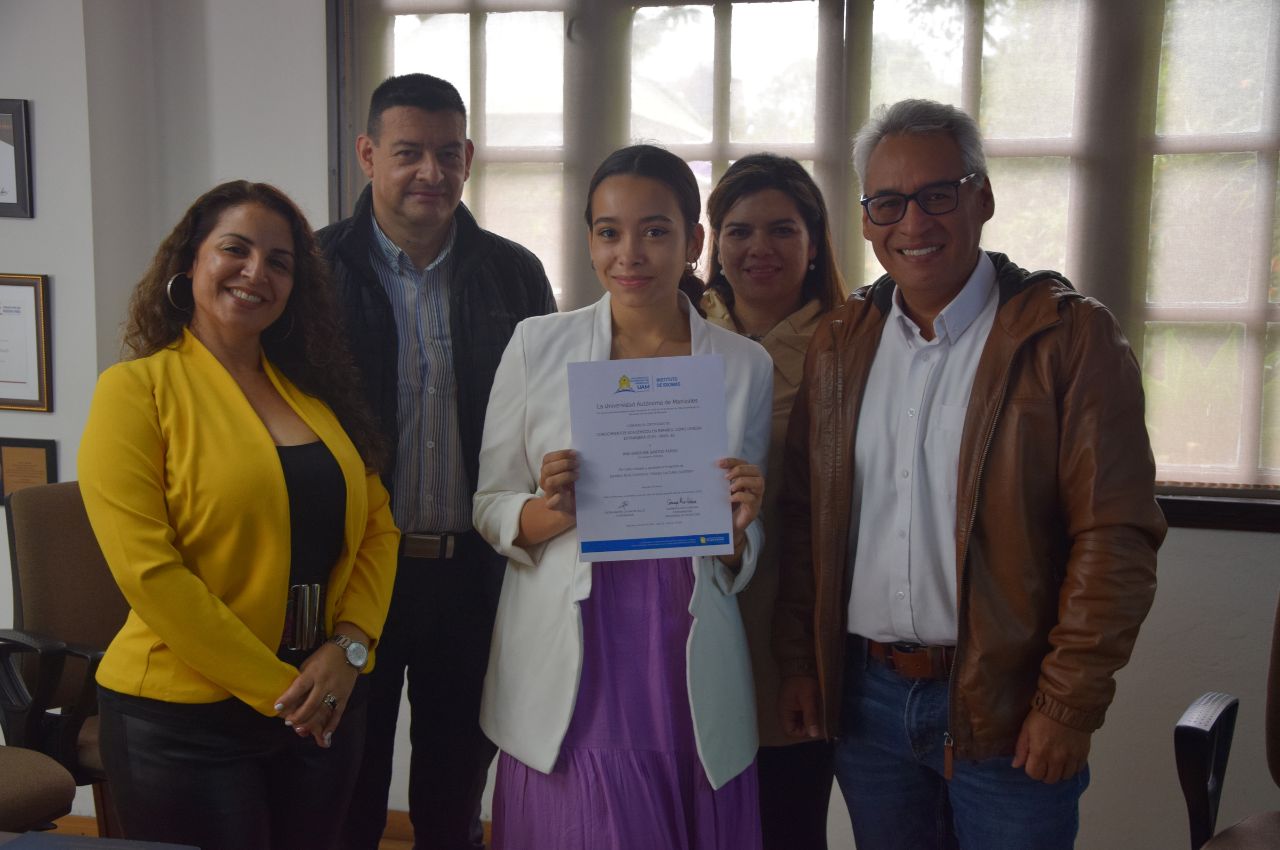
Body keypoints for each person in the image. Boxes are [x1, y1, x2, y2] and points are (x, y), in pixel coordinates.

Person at [774, 99, 1168, 850]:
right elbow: (803, 519)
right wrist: (800, 662)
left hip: (1012, 708)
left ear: (982, 197)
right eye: (888, 202)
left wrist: (1067, 705)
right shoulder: (840, 342)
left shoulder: (1069, 335)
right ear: (864, 220)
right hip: (867, 702)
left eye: (938, 195)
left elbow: (1115, 535)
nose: (913, 223)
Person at [79, 180, 400, 850]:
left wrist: (348, 648)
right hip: (185, 722)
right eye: (236, 249)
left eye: (280, 261)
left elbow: (377, 528)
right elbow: (150, 574)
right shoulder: (135, 392)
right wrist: (284, 691)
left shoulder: (312, 393)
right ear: (190, 262)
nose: (257, 272)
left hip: (324, 701)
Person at [473, 144, 773, 850]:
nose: (629, 253)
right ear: (589, 242)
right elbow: (488, 502)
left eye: (656, 230)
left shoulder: (741, 367)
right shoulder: (536, 346)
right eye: (609, 231)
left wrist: (740, 526)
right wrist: (551, 511)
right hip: (572, 653)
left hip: (683, 649)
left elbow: (746, 542)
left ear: (694, 241)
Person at [317, 73, 556, 850]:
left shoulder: (513, 272)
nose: (431, 171)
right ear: (367, 155)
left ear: (469, 157)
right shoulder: (314, 271)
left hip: (476, 574)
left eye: (448, 153)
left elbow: (548, 412)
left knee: (456, 793)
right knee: (347, 785)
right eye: (408, 152)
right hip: (359, 575)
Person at [701, 153, 846, 849]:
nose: (759, 248)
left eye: (783, 230)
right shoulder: (670, 335)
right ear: (713, 243)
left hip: (799, 629)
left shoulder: (853, 348)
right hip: (686, 622)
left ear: (815, 242)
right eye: (739, 230)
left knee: (787, 823)